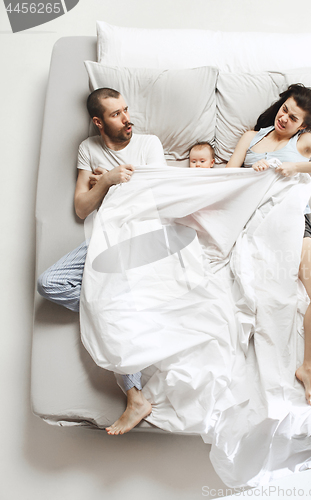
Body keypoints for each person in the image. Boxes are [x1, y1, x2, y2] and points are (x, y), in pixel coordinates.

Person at [37, 87, 167, 434]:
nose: (127, 119)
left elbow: (158, 198)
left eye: (126, 110)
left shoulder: (148, 145)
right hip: (100, 241)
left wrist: (106, 186)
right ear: (98, 121)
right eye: (116, 114)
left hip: (137, 238)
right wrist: (108, 180)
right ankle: (112, 309)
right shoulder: (88, 148)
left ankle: (135, 397)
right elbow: (82, 208)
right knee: (48, 283)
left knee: (108, 302)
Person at [226, 83, 311, 406]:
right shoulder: (250, 138)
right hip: (255, 223)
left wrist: (295, 166)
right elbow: (226, 179)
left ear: (303, 126)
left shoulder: (303, 142)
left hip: (294, 222)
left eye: (293, 118)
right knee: (263, 299)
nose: (284, 119)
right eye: (284, 110)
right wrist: (254, 173)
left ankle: (307, 368)